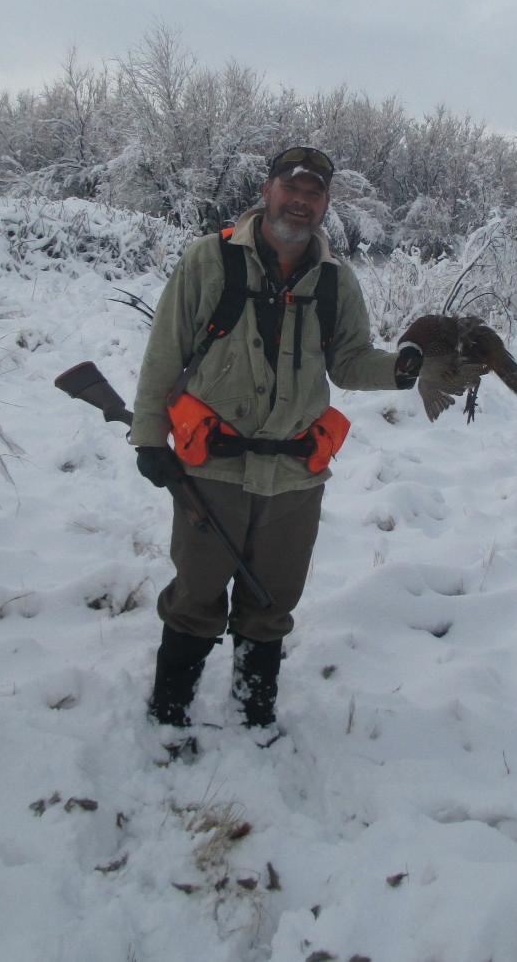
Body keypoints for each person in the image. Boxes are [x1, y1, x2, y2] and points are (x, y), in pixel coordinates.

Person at [129, 145, 422, 743]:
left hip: (294, 476)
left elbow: (348, 361)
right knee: (196, 592)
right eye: (291, 188)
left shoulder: (337, 282)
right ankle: (169, 712)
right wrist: (148, 437)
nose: (301, 201)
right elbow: (164, 353)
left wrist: (398, 370)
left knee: (272, 599)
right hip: (211, 464)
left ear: (326, 205)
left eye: (314, 193)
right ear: (267, 190)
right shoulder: (208, 261)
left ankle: (252, 713)